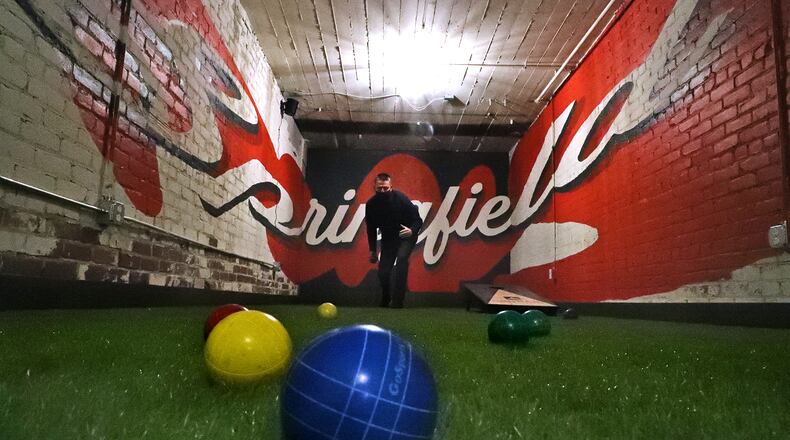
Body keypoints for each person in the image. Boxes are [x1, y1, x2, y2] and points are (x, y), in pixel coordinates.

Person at [365, 173, 423, 308]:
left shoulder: (401, 198)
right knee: (383, 272)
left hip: (406, 236)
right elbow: (371, 229)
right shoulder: (371, 205)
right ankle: (386, 297)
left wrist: (412, 231)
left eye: (386, 188)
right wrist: (372, 250)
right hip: (389, 239)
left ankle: (398, 301)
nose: (383, 191)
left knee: (402, 259)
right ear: (375, 187)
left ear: (391, 187)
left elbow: (417, 220)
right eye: (380, 188)